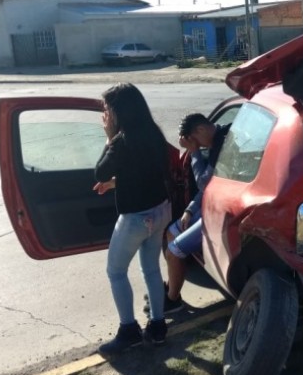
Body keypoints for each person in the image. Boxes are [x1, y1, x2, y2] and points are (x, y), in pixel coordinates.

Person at [93, 83, 172, 355]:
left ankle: (129, 331)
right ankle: (158, 327)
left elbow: (100, 172)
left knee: (115, 271)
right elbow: (144, 172)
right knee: (151, 268)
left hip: (136, 217)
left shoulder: (121, 140)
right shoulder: (153, 133)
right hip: (161, 209)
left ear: (118, 112)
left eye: (106, 109)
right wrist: (116, 184)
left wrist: (108, 137)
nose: (105, 114)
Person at [150, 113, 229, 313]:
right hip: (209, 205)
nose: (199, 146)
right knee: (171, 232)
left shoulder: (223, 143)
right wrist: (188, 210)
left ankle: (172, 301)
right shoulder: (217, 139)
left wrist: (194, 153)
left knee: (174, 250)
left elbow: (205, 183)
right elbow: (207, 190)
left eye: (195, 141)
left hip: (224, 211)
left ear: (201, 130)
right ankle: (172, 287)